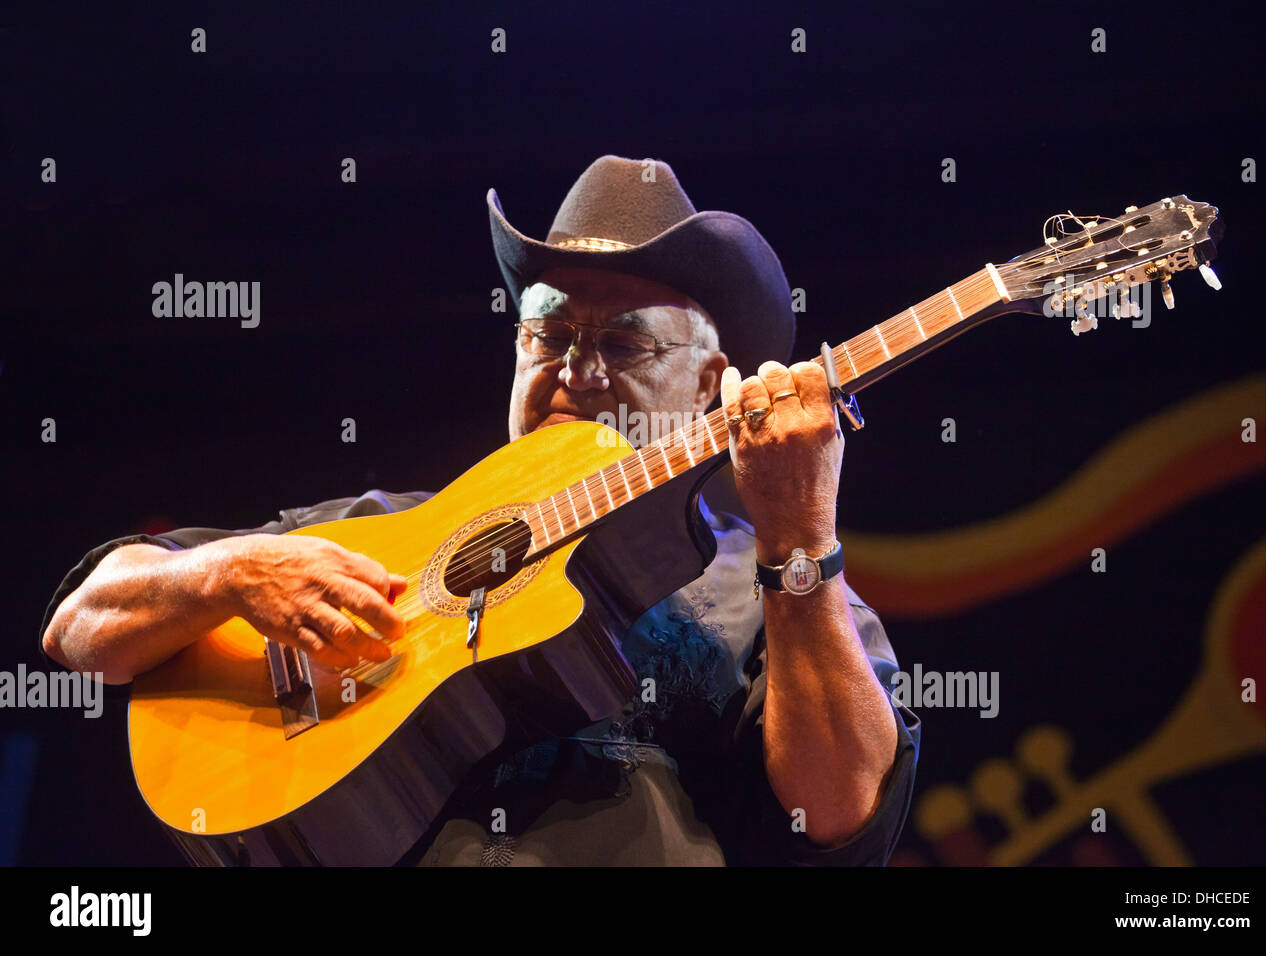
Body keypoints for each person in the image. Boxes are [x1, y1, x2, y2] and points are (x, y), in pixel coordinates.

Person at [40, 155, 920, 866]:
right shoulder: (379, 521)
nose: (575, 370)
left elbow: (837, 813)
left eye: (623, 341)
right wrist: (228, 572)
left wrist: (800, 541)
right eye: (548, 333)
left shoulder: (772, 585)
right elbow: (82, 632)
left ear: (708, 384)